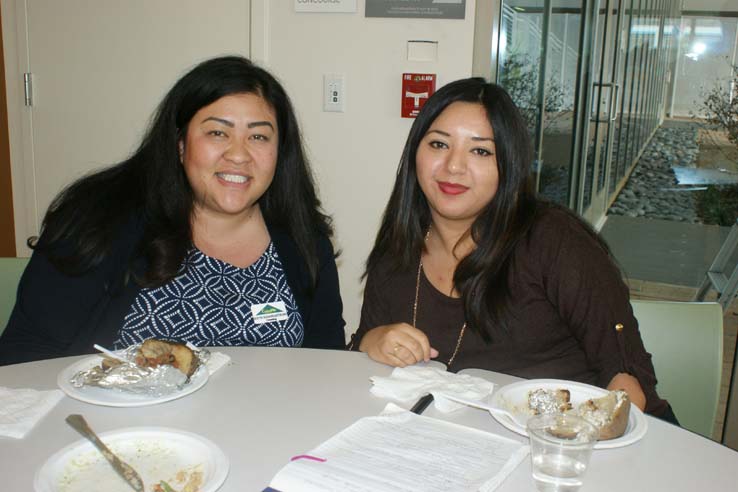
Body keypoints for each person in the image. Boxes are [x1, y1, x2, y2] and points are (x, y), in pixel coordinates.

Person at [349, 77, 675, 420]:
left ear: (509, 166)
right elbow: (359, 357)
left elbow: (629, 383)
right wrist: (372, 341)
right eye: (438, 145)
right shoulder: (399, 247)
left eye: (480, 151)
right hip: (448, 448)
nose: (453, 166)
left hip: (567, 447)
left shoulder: (554, 242)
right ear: (415, 153)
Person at [0, 56, 346, 365]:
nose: (238, 155)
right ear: (180, 144)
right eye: (216, 132)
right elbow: (25, 358)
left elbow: (325, 363)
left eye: (258, 137)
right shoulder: (99, 221)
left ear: (279, 152)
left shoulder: (304, 240)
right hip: (121, 432)